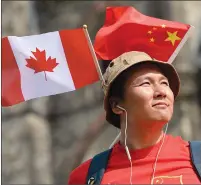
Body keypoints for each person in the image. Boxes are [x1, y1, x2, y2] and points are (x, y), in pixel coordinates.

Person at [68, 51, 201, 184]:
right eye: (146, 83)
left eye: (164, 83)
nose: (161, 92)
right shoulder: (86, 176)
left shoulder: (196, 158)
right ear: (116, 105)